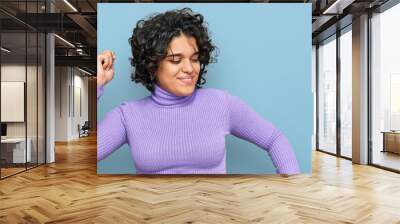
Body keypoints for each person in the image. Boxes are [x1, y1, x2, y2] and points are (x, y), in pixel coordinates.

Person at [97, 8, 300, 175]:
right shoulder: (127, 116)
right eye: (176, 60)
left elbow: (274, 139)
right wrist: (98, 84)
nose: (190, 68)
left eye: (194, 59)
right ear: (151, 66)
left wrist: (293, 190)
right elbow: (85, 154)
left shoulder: (222, 104)